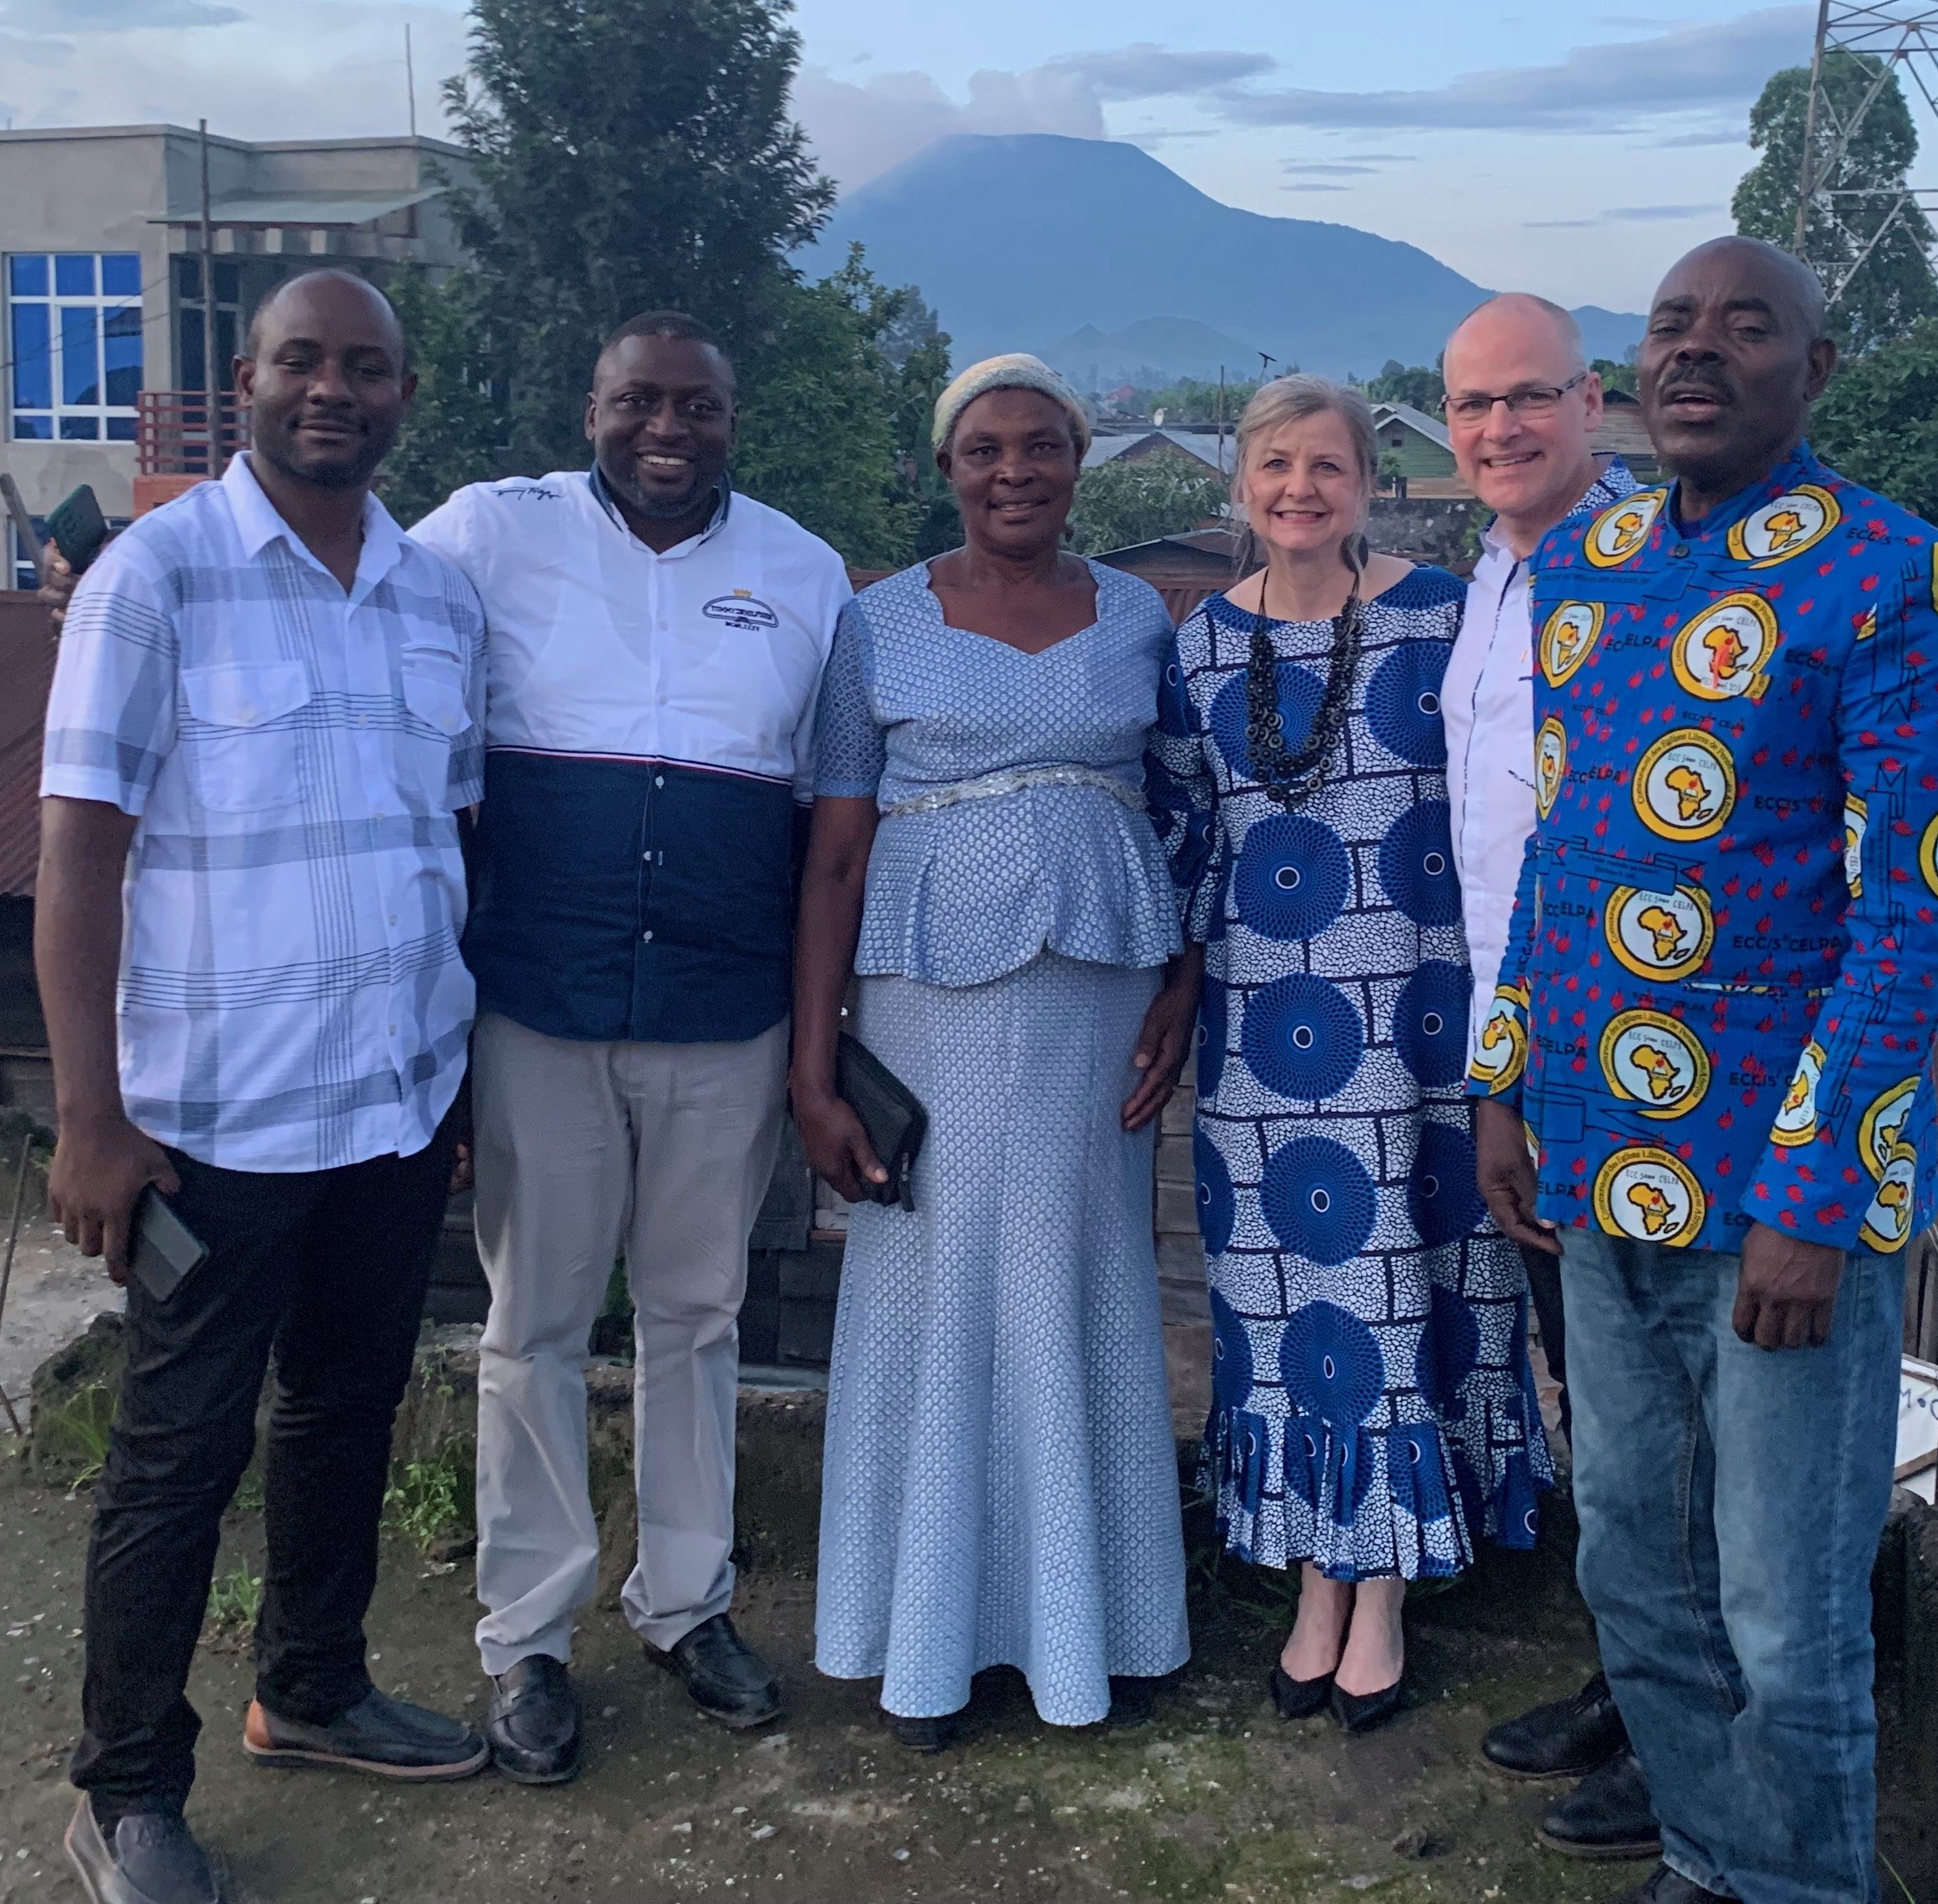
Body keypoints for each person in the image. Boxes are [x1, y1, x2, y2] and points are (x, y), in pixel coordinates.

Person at [1469, 236, 1938, 1904]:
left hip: (1780, 1192)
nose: (1697, 350)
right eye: (1671, 324)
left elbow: (1911, 911)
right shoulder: (1590, 562)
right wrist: (1504, 1080)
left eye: (1745, 326)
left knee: (1782, 1601)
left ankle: (1803, 1883)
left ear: (1814, 369)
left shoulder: (1897, 575)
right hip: (1596, 1154)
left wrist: (1816, 1199)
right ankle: (1713, 1852)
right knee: (1634, 1565)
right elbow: (1558, 850)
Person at [38, 269, 490, 1904]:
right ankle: (126, 1791)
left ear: (402, 394)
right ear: (248, 379)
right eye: (303, 361)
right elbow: (79, 853)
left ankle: (310, 1685)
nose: (332, 391)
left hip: (390, 1104)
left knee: (347, 1406)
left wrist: (448, 1084)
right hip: (210, 1122)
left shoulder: (438, 598)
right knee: (176, 1454)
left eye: (364, 368)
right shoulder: (154, 580)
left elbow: (447, 838)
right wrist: (90, 1117)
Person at [406, 313, 852, 1782]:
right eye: (637, 401)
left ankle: (687, 1603)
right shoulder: (489, 532)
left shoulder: (803, 572)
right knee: (532, 1324)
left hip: (724, 1014)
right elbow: (370, 620)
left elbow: (825, 807)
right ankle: (526, 1636)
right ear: (588, 406)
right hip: (541, 1000)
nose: (667, 429)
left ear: (734, 418)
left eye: (697, 406)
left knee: (697, 1316)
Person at [792, 354, 1193, 1753]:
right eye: (984, 450)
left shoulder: (1138, 614)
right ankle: (924, 1639)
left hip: (1101, 993)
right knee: (937, 1282)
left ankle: (1100, 1627)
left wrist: (1184, 981)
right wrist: (812, 1069)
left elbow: (1187, 810)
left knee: (1083, 1270)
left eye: (1041, 447)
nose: (1014, 470)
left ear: (1078, 463)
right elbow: (832, 856)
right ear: (945, 468)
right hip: (922, 1000)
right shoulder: (873, 625)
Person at [1145, 375, 1552, 1736]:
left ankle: (1378, 1592)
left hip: (1424, 1024)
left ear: (1368, 485)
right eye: (1275, 466)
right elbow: (1182, 837)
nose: (1299, 490)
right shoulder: (1201, 644)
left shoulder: (1443, 617)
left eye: (1326, 466)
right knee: (1286, 1317)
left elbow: (1507, 806)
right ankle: (1316, 1574)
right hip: (1264, 1041)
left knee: (1402, 1294)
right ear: (1239, 484)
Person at [1437, 294, 1656, 1860]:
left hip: (1640, 1054)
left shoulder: (1647, 568)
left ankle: (1690, 1725)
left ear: (1592, 403)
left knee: (1667, 1407)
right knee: (1591, 1388)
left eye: (1527, 397)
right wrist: (1493, 1079)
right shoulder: (1490, 577)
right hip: (1518, 1046)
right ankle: (1634, 1679)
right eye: (1471, 405)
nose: (1499, 427)